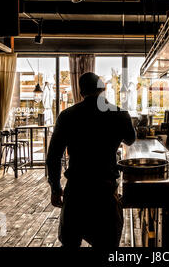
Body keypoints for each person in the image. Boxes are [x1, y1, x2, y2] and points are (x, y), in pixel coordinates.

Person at [46, 72, 136, 248]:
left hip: (77, 192)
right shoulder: (120, 114)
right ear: (102, 90)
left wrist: (56, 188)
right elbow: (130, 140)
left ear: (81, 92)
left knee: (70, 244)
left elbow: (53, 156)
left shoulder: (67, 116)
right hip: (105, 193)